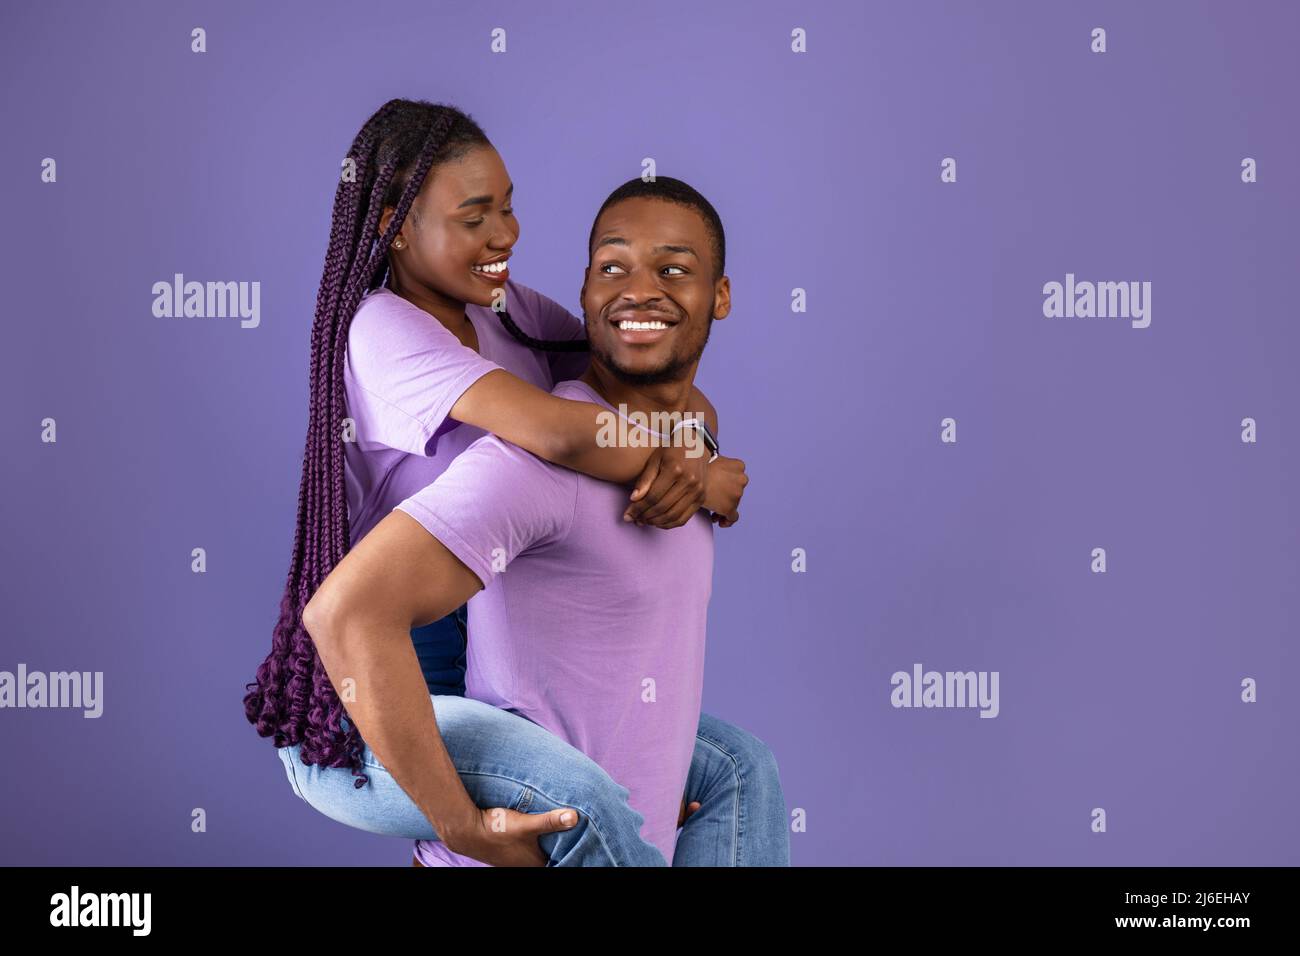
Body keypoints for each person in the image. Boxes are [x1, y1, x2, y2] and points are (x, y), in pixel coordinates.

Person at [244, 98, 785, 865]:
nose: (506, 234)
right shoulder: (383, 329)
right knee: (584, 803)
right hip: (368, 684)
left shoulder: (502, 313)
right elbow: (562, 430)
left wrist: (694, 443)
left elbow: (635, 353)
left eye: (508, 207)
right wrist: (693, 475)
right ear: (396, 225)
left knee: (735, 766)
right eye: (474, 216)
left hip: (478, 647)